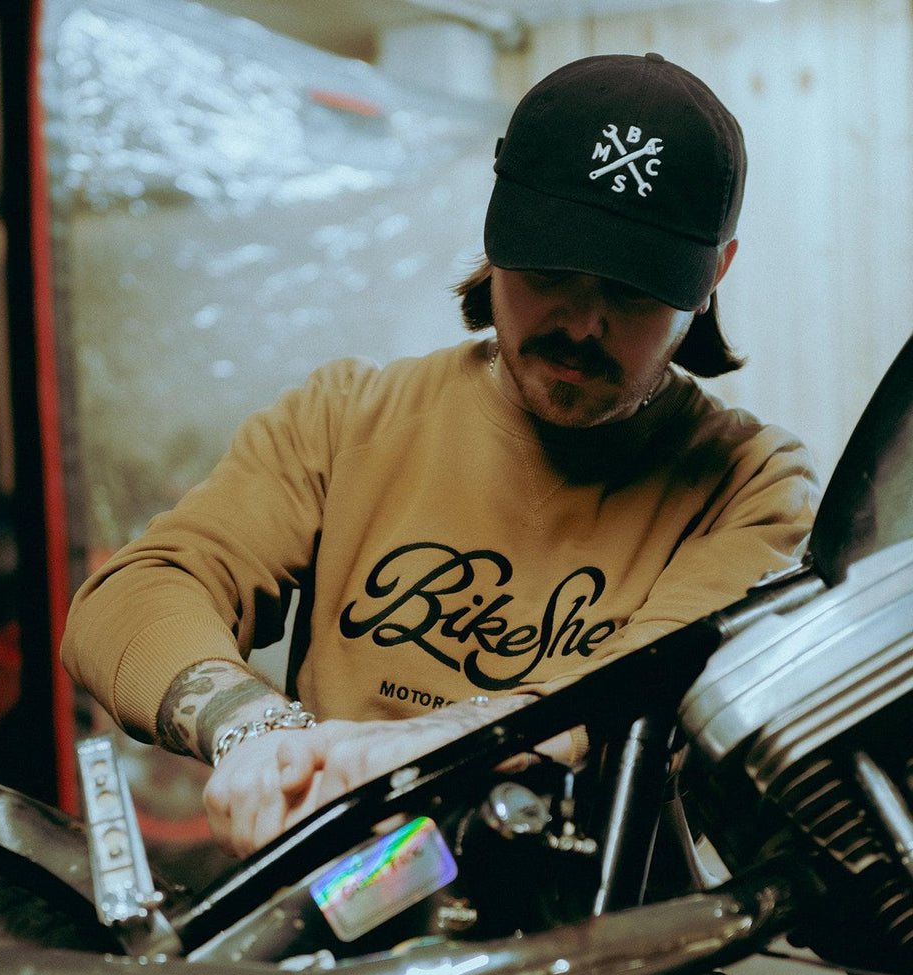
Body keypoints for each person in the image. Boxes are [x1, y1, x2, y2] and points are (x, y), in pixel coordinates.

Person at [61, 53, 819, 858]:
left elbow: (651, 689)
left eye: (633, 289)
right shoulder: (347, 418)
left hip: (604, 951)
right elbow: (135, 594)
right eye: (554, 267)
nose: (585, 321)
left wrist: (408, 756)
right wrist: (254, 731)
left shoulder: (753, 482)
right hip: (340, 926)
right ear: (497, 233)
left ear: (715, 274)